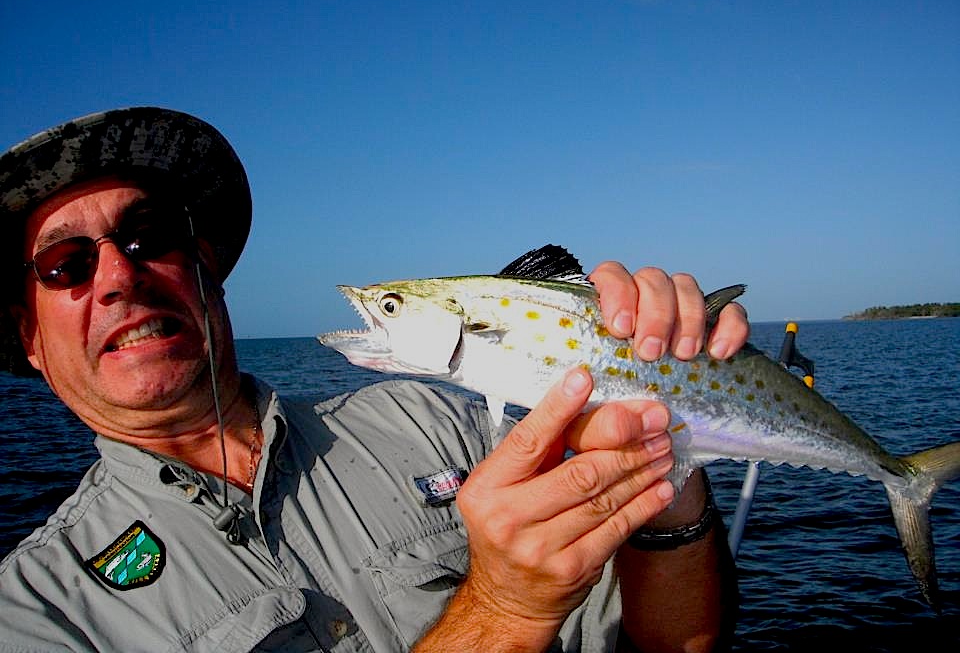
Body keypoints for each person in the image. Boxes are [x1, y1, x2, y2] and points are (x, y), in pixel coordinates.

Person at [0, 108, 749, 653]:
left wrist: (665, 456)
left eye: (148, 237)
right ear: (28, 337)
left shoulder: (441, 420)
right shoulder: (36, 613)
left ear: (209, 275)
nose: (120, 276)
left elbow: (677, 641)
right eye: (64, 267)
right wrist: (501, 612)